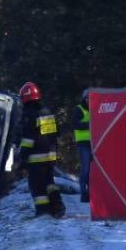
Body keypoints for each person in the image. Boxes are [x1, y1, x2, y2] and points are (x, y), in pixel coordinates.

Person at [18, 82, 65, 218]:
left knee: (37, 185)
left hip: (35, 158)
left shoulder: (29, 115)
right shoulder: (47, 113)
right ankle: (57, 205)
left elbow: (28, 138)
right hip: (49, 155)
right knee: (49, 183)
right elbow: (54, 134)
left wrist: (23, 156)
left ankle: (43, 211)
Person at [72, 89, 92, 203]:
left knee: (92, 170)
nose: (89, 100)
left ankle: (91, 192)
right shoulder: (79, 109)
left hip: (94, 143)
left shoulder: (94, 109)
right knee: (85, 169)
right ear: (84, 99)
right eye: (88, 98)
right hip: (83, 143)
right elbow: (75, 124)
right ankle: (83, 193)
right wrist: (89, 125)